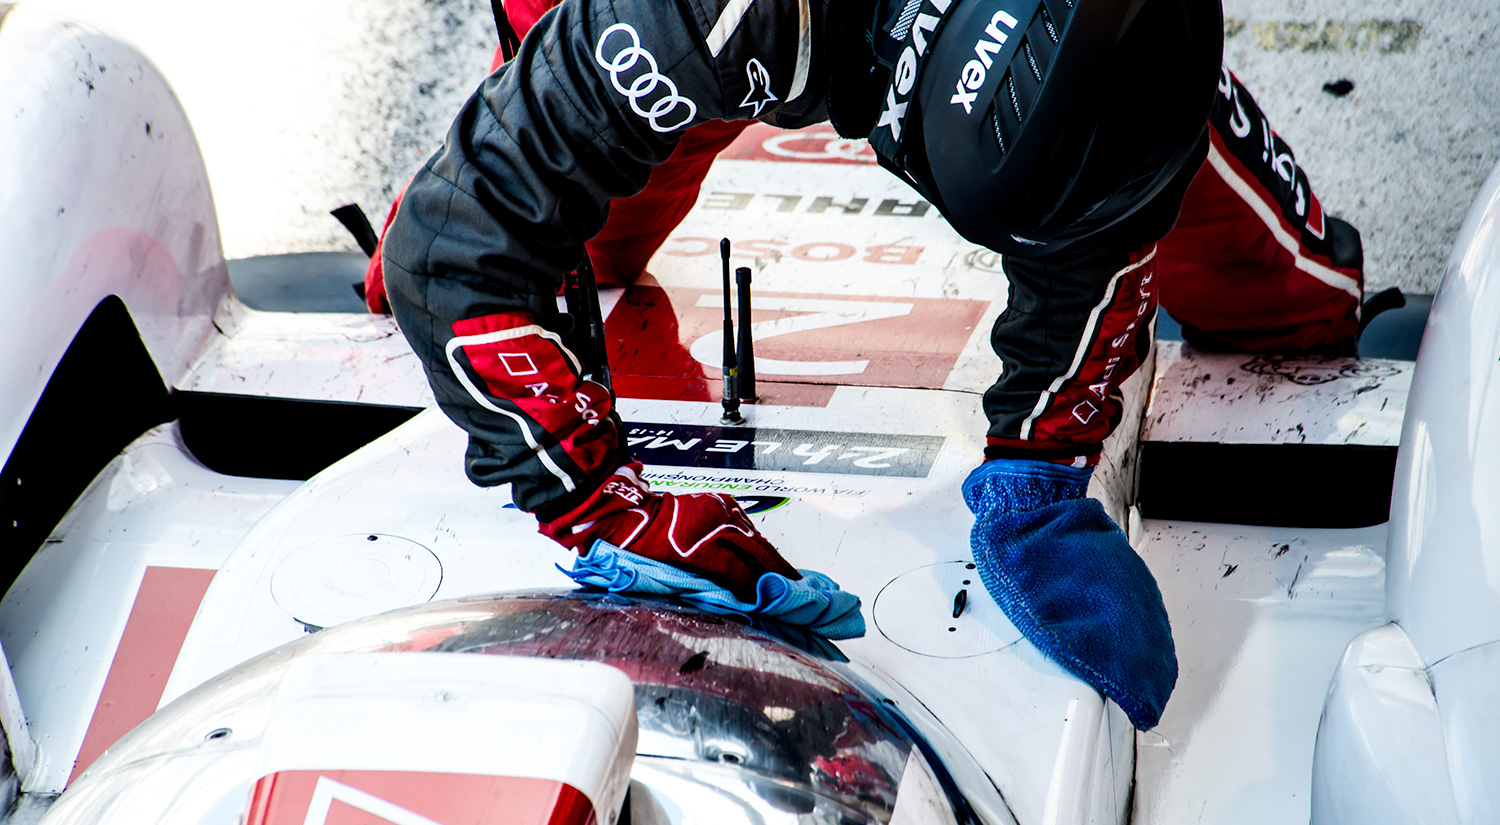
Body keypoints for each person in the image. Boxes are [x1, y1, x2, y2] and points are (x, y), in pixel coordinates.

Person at [374, 0, 1364, 730]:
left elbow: (1099, 193)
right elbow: (456, 244)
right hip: (722, 28)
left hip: (1080, 42)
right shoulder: (685, 18)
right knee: (546, 249)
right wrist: (601, 502)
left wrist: (1041, 466)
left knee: (1297, 300)